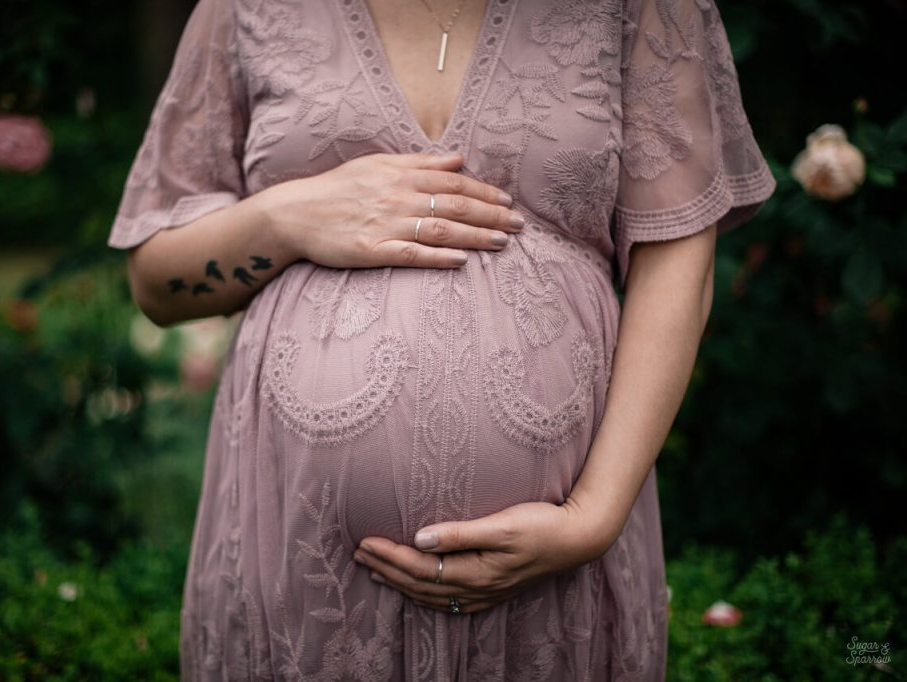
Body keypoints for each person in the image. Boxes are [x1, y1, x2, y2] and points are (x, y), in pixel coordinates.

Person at [107, 0, 776, 678]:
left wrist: (593, 518)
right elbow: (157, 283)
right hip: (300, 571)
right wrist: (286, 218)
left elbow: (677, 262)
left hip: (560, 564)